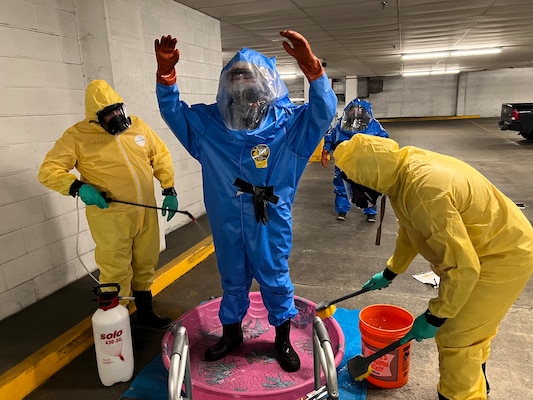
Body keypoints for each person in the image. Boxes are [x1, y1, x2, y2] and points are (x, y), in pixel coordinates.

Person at [154, 30, 337, 372]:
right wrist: (166, 78)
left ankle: (281, 338)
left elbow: (323, 111)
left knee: (274, 276)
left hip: (270, 220)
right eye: (234, 76)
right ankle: (232, 333)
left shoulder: (288, 127)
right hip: (226, 222)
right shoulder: (210, 126)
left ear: (265, 83)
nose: (240, 83)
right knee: (232, 277)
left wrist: (314, 71)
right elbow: (174, 112)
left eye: (247, 76)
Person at [334, 134, 533, 400]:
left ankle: (460, 396)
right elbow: (411, 229)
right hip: (492, 245)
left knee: (456, 339)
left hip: (501, 256)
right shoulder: (402, 171)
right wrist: (392, 271)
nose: (356, 192)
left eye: (355, 184)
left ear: (370, 174)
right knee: (473, 332)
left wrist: (435, 316)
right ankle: (477, 384)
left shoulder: (423, 190)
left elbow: (463, 267)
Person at [38, 79, 178, 329]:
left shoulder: (138, 127)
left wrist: (169, 188)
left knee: (146, 263)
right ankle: (120, 325)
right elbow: (48, 170)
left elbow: (160, 155)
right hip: (111, 217)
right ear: (95, 117)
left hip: (145, 213)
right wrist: (78, 187)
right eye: (108, 113)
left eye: (117, 109)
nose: (115, 116)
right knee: (115, 269)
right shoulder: (77, 137)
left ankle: (145, 314)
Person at [321, 98, 389, 222]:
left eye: (359, 109)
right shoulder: (341, 125)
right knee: (342, 185)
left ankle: (370, 212)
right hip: (345, 160)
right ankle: (342, 210)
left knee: (368, 185)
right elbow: (330, 137)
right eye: (353, 109)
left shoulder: (373, 125)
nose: (356, 112)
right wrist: (326, 150)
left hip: (366, 161)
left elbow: (384, 139)